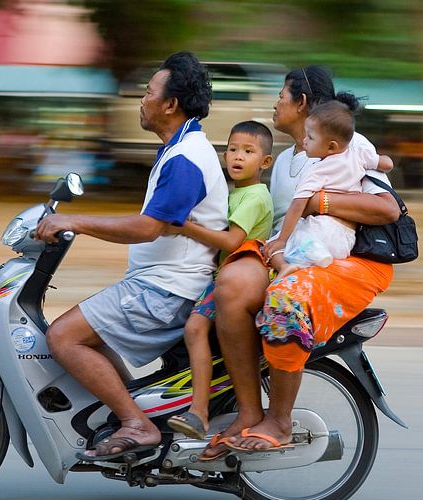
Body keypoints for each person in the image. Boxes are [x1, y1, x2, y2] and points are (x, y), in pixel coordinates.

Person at [35, 52, 228, 460]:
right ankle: (137, 414)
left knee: (63, 336)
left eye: (148, 92)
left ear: (170, 104)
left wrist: (78, 222)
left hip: (166, 290)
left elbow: (148, 227)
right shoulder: (179, 149)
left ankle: (135, 424)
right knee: (87, 334)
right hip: (158, 283)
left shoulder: (186, 159)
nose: (142, 99)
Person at [201, 65, 400, 459]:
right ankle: (246, 410)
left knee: (284, 301)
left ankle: (279, 420)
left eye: (281, 95)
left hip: (345, 260)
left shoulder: (345, 144)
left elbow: (388, 209)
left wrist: (317, 202)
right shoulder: (286, 157)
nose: (275, 103)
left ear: (302, 103)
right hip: (288, 251)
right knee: (226, 288)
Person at [165, 121, 274, 440]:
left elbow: (231, 241)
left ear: (265, 162)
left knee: (194, 328)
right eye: (232, 149)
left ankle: (198, 413)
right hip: (221, 276)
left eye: (248, 151)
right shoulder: (236, 193)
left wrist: (185, 227)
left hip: (235, 281)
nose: (237, 156)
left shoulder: (254, 197)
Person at [265, 99, 394, 277]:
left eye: (310, 137)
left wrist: (281, 239)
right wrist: (382, 160)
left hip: (319, 232)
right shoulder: (359, 154)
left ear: (331, 146)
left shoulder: (316, 171)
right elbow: (386, 163)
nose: (304, 141)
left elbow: (297, 206)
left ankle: (296, 262)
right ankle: (317, 256)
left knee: (273, 246)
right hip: (346, 240)